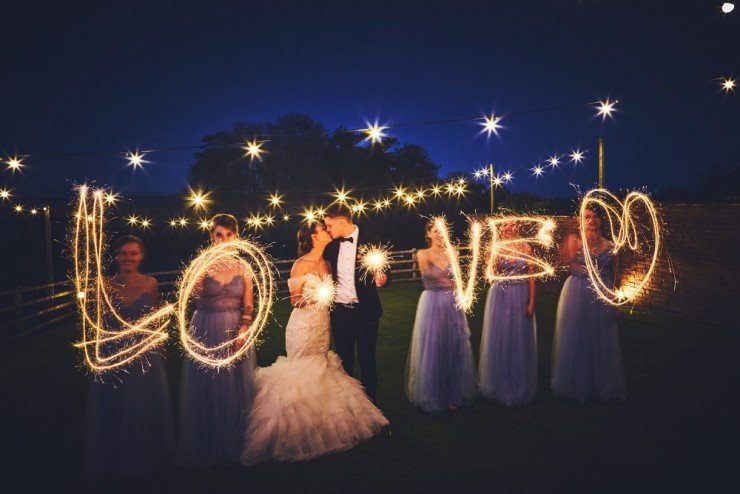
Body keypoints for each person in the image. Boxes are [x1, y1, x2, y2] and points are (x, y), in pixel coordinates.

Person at [242, 221, 388, 465]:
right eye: (321, 229)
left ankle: (325, 418)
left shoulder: (327, 263)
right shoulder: (301, 265)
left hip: (322, 326)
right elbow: (294, 301)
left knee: (321, 368)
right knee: (302, 371)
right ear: (311, 236)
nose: (326, 231)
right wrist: (317, 296)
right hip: (303, 326)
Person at [84, 235, 175, 482]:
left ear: (141, 256)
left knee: (141, 405)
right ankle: (114, 455)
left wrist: (160, 347)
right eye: (124, 253)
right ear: (116, 256)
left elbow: (154, 318)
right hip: (114, 352)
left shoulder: (150, 284)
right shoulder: (103, 283)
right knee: (115, 404)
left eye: (133, 253)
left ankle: (144, 455)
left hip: (144, 355)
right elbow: (98, 321)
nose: (128, 258)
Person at [178, 214, 256, 467]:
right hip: (206, 326)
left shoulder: (244, 267)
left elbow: (248, 304)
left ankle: (233, 437)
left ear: (236, 237)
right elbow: (192, 298)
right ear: (211, 237)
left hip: (234, 327)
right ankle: (207, 439)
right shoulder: (202, 265)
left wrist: (243, 329)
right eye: (218, 235)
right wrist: (198, 280)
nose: (223, 239)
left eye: (228, 235)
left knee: (233, 384)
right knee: (208, 383)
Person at [551, 207, 627, 402]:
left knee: (600, 336)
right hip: (578, 290)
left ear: (602, 219)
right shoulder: (574, 241)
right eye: (587, 217)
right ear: (581, 220)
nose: (591, 220)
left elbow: (615, 275)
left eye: (595, 216)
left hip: (602, 292)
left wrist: (616, 302)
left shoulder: (611, 245)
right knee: (578, 335)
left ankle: (599, 383)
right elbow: (569, 263)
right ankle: (576, 384)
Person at [405, 220, 476, 413]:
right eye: (435, 231)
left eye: (442, 230)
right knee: (434, 346)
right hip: (433, 303)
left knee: (454, 346)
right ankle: (433, 393)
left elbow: (458, 279)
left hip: (452, 304)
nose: (439, 234)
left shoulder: (454, 253)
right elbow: (428, 275)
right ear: (428, 234)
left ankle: (453, 393)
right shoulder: (422, 254)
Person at [323, 204, 390, 403]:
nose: (328, 230)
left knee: (367, 360)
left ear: (341, 221)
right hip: (340, 314)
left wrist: (383, 278)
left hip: (366, 313)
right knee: (344, 362)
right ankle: (349, 405)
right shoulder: (331, 247)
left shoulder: (371, 240)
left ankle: (372, 404)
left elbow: (387, 271)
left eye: (329, 225)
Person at [478, 221, 538, 406]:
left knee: (519, 338)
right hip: (500, 295)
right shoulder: (494, 247)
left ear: (517, 227)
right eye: (505, 226)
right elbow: (490, 274)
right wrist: (492, 255)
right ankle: (498, 383)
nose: (510, 228)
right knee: (501, 337)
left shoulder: (526, 247)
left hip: (520, 294)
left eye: (513, 225)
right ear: (500, 228)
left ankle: (519, 382)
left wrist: (532, 301)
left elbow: (531, 274)